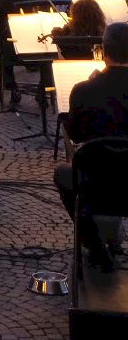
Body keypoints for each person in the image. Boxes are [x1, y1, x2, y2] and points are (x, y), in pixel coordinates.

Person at [53, 22, 128, 270]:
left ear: (104, 52)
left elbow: (75, 134)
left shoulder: (85, 90)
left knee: (62, 172)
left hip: (96, 185)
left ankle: (95, 247)